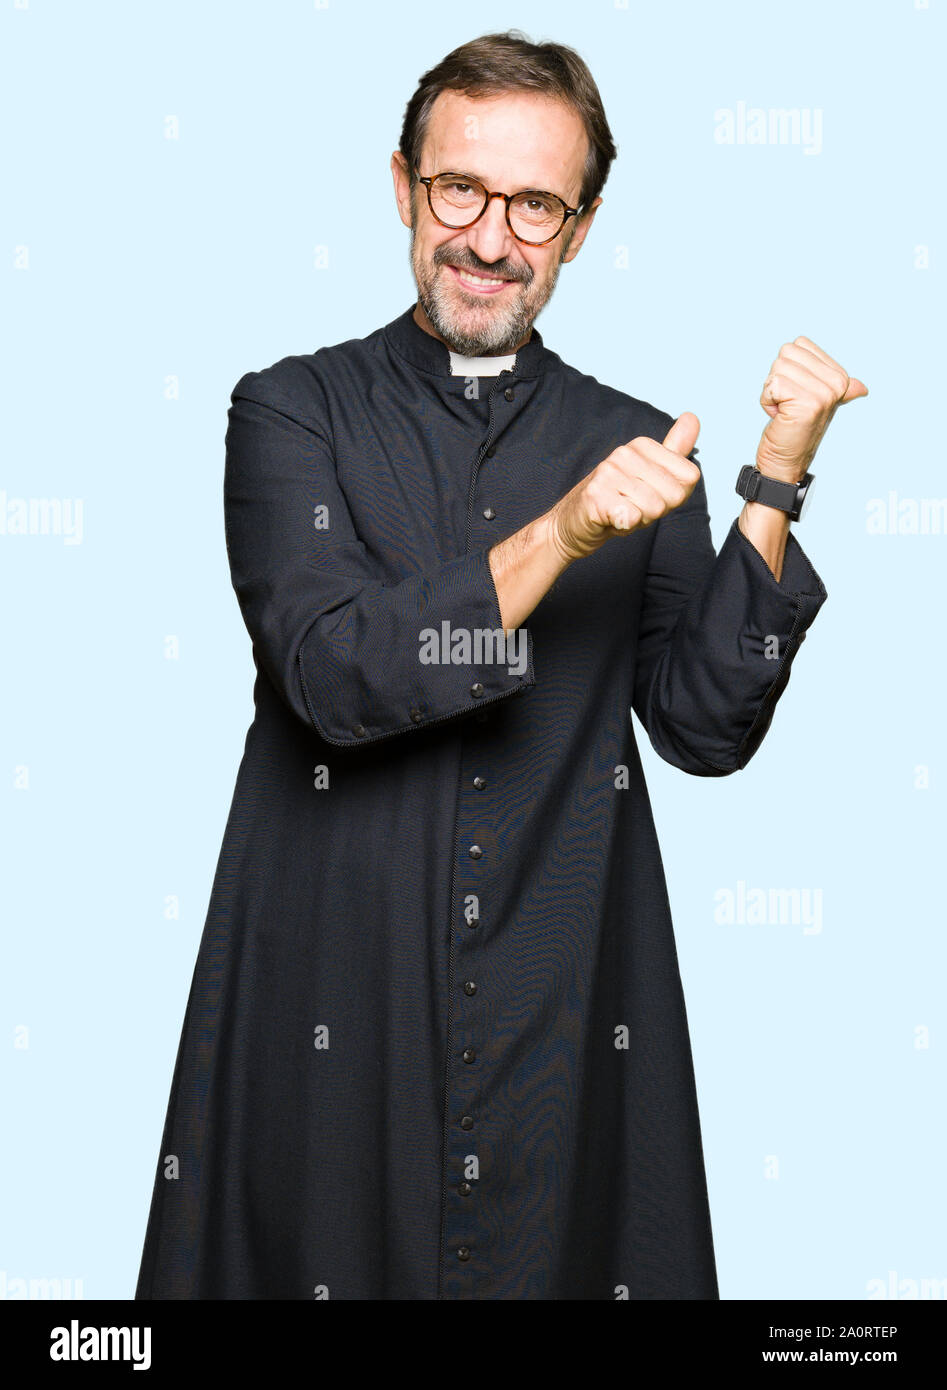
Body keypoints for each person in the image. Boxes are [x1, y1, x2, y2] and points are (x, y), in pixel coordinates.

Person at [135, 30, 866, 1301]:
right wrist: (563, 535)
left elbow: (701, 724)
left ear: (578, 229)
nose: (487, 237)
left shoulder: (639, 440)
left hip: (559, 994)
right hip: (331, 989)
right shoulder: (289, 412)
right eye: (457, 188)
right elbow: (332, 671)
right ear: (403, 186)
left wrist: (776, 475)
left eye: (534, 205)